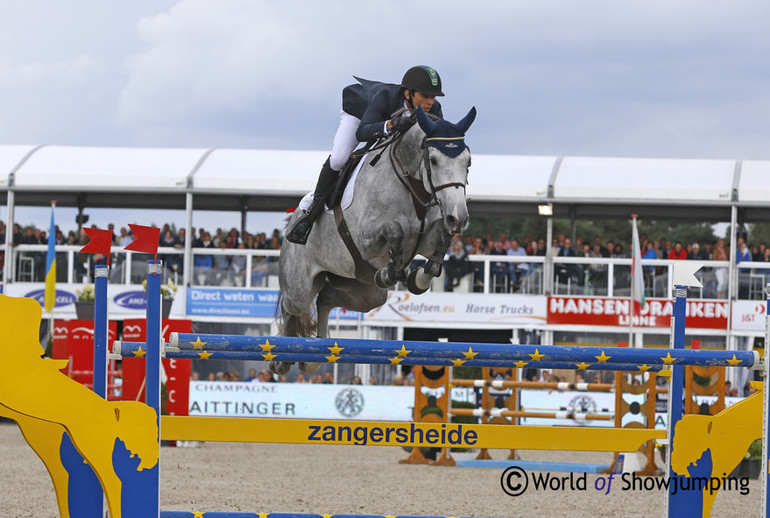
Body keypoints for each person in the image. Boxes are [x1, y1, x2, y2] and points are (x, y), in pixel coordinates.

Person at [286, 66, 445, 245]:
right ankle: (310, 212)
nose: (430, 101)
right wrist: (391, 125)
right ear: (408, 94)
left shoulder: (434, 109)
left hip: (380, 121)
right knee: (339, 158)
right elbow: (362, 133)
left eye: (433, 96)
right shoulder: (386, 97)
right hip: (358, 114)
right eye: (425, 95)